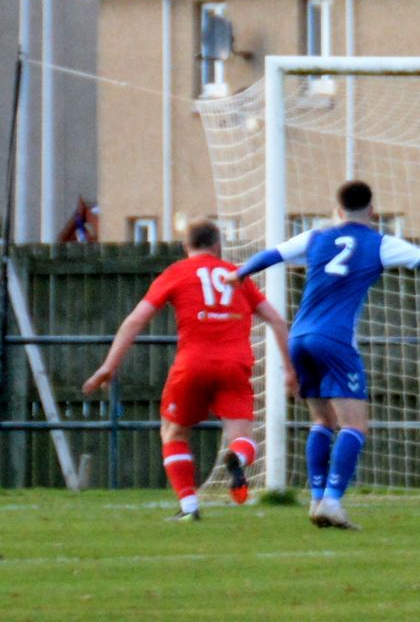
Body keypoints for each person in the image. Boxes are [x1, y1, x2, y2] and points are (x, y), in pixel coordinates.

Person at [230, 180, 420, 529]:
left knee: (322, 422)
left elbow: (271, 255)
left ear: (338, 210)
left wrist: (240, 272)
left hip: (299, 337)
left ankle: (317, 499)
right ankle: (332, 501)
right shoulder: (379, 243)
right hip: (334, 340)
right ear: (372, 212)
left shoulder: (316, 237)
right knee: (355, 425)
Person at [83, 219, 295, 521]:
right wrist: (290, 370)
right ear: (217, 245)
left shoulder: (176, 272)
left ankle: (189, 506)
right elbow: (277, 321)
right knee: (243, 437)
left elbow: (136, 320)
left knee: (173, 433)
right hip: (235, 365)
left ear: (186, 247)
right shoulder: (238, 275)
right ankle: (237, 457)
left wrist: (109, 365)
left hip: (192, 364)